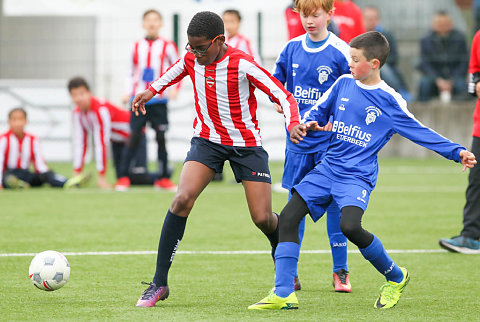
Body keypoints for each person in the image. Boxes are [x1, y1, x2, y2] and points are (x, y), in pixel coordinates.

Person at [249, 31, 476, 310]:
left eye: (355, 60)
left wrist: (457, 152)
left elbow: (420, 132)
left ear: (375, 63)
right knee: (288, 217)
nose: (350, 64)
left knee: (350, 226)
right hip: (328, 167)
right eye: (350, 58)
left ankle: (395, 276)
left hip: (357, 176)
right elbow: (318, 112)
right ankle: (283, 293)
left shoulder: (390, 100)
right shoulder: (343, 83)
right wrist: (305, 125)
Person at [132, 11, 300, 308]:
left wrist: (292, 122)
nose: (195, 54)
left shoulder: (242, 63)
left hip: (246, 145)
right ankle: (159, 282)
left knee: (262, 217)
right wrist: (149, 91)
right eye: (191, 47)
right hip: (207, 141)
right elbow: (172, 72)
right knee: (181, 199)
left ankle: (282, 258)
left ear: (219, 41)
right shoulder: (191, 59)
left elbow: (283, 95)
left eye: (200, 48)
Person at [273, 0, 352, 292]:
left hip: (331, 144)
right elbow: (276, 86)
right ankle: (291, 273)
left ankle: (340, 271)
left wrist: (337, 119)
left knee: (335, 204)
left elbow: (353, 90)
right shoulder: (291, 48)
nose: (309, 20)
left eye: (315, 14)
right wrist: (283, 106)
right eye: (304, 14)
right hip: (298, 141)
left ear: (330, 15)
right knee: (296, 204)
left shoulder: (342, 52)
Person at [116, 9, 180, 191]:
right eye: (148, 20)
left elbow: (178, 68)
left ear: (160, 23)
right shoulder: (136, 46)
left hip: (159, 101)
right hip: (138, 99)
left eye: (155, 20)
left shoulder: (168, 46)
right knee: (134, 136)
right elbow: (130, 71)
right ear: (143, 24)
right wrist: (127, 92)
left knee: (161, 138)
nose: (152, 23)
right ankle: (123, 177)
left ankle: (163, 178)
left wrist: (174, 89)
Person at [69, 77, 153, 188]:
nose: (78, 98)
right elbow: (81, 143)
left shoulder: (100, 109)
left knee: (139, 177)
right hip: (117, 143)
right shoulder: (77, 113)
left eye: (81, 94)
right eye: (74, 95)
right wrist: (77, 172)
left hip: (134, 137)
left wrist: (101, 177)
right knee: (122, 179)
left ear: (89, 93)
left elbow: (101, 143)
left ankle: (161, 176)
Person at [439, 29, 480, 254]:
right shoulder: (478, 37)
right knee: (476, 181)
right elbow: (473, 74)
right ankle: (470, 236)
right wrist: (476, 86)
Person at [0, 108, 91, 189]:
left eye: (20, 119)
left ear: (26, 121)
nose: (18, 123)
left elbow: (39, 164)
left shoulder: (33, 140)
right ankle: (15, 184)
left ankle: (68, 182)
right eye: (14, 120)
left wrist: (47, 174)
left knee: (46, 175)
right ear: (9, 122)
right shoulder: (3, 139)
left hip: (26, 173)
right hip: (9, 173)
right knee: (7, 178)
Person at [417, 11, 469, 102]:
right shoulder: (425, 39)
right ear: (433, 24)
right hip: (434, 78)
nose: (442, 26)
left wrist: (452, 80)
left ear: (451, 24)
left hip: (455, 77)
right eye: (439, 23)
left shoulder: (460, 38)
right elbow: (424, 63)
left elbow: (464, 62)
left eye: (445, 23)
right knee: (424, 84)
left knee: (463, 87)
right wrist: (437, 80)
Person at [362, 5, 411, 101]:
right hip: (363, 68)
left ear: (378, 19)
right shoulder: (358, 36)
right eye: (368, 18)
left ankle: (396, 93)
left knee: (383, 69)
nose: (371, 21)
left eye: (373, 18)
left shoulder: (387, 36)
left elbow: (394, 57)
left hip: (383, 67)